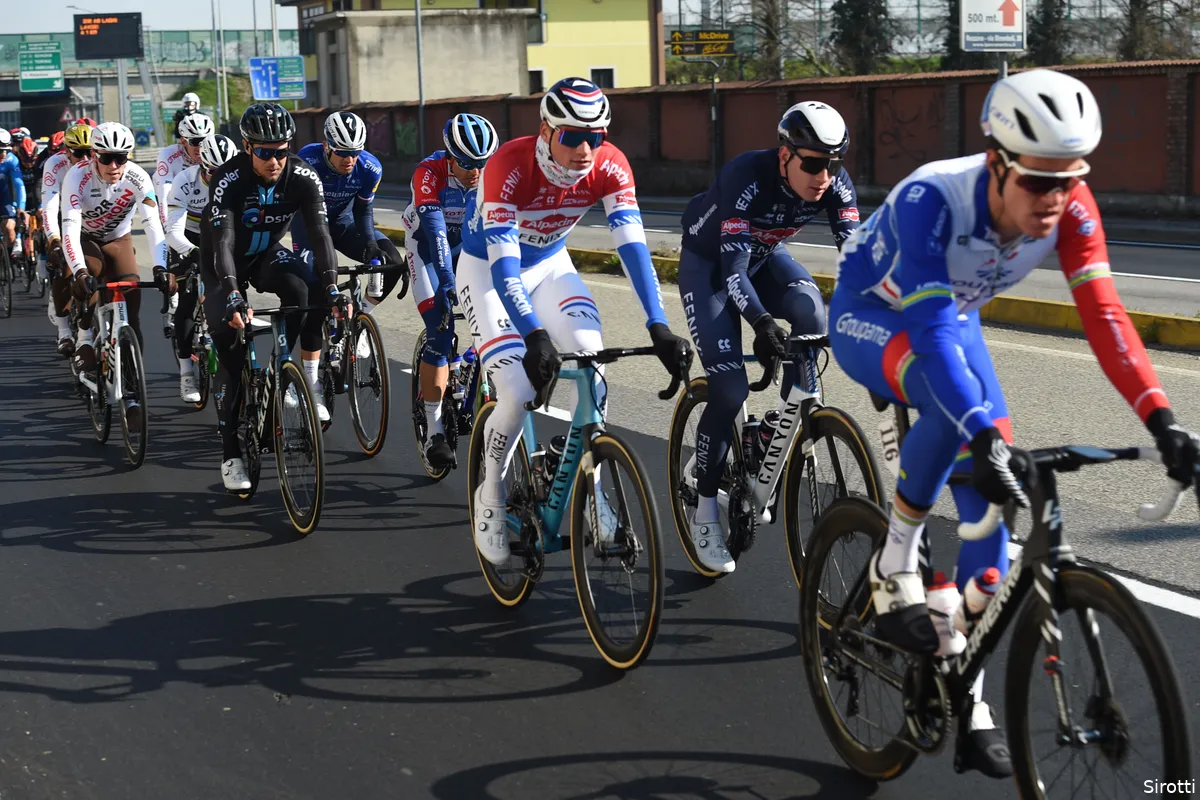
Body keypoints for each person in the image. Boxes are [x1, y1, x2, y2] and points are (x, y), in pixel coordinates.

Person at [830, 68, 1200, 778]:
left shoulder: (1072, 205)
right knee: (955, 407)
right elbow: (932, 333)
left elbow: (1105, 317)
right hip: (875, 317)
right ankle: (893, 560)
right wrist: (983, 431)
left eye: (1069, 181)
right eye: (1038, 182)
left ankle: (960, 689)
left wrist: (1163, 419)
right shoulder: (931, 198)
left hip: (951, 321)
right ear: (997, 163)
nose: (1055, 200)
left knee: (992, 543)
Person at [457, 76, 691, 565]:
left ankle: (597, 495)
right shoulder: (507, 167)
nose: (587, 148)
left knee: (592, 363)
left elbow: (632, 249)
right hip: (487, 273)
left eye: (597, 137)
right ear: (546, 132)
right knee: (519, 391)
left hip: (549, 266)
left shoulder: (610, 166)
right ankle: (491, 493)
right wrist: (534, 334)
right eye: (573, 137)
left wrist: (658, 324)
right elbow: (502, 270)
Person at [676, 101, 860, 573]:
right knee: (731, 389)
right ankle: (704, 509)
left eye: (833, 163)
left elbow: (859, 260)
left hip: (761, 258)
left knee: (812, 314)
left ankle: (774, 431)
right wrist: (761, 323)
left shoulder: (834, 184)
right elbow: (733, 271)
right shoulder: (747, 176)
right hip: (711, 269)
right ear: (785, 155)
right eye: (813, 164)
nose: (824, 176)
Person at [201, 103, 347, 492]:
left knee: (306, 289)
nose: (275, 160)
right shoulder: (228, 179)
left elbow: (320, 235)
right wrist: (233, 296)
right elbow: (225, 243)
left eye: (281, 150)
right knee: (231, 352)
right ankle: (231, 453)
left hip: (265, 254)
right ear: (248, 148)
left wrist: (332, 286)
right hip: (221, 262)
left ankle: (281, 369)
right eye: (265, 152)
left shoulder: (302, 175)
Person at [291, 110, 406, 420]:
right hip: (308, 225)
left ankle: (360, 320)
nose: (349, 160)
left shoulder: (369, 168)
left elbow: (364, 212)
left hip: (344, 224)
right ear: (327, 146)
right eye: (343, 153)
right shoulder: (307, 160)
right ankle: (311, 383)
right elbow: (298, 210)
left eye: (355, 153)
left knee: (392, 262)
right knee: (314, 292)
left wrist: (370, 245)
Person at [403, 112, 498, 468]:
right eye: (466, 163)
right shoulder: (429, 174)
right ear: (448, 156)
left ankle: (473, 369)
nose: (476, 171)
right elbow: (437, 234)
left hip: (470, 252)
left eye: (482, 163)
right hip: (426, 251)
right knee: (441, 332)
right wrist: (447, 281)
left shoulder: (492, 175)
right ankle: (434, 428)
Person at [60, 121, 168, 431]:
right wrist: (79, 270)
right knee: (90, 275)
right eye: (106, 158)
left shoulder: (137, 177)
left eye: (121, 157)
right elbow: (69, 226)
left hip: (119, 239)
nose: (114, 165)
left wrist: (160, 266)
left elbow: (152, 224)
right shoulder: (76, 177)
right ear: (93, 156)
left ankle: (132, 395)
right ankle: (83, 335)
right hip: (86, 238)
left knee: (132, 310)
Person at [165, 133, 238, 403]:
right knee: (186, 301)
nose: (219, 177)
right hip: (188, 239)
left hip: (220, 236)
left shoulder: (238, 182)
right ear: (202, 166)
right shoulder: (185, 181)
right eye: (213, 172)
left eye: (226, 171)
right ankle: (186, 372)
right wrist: (194, 253)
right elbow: (172, 231)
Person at [41, 123, 92, 356]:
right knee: (64, 268)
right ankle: (63, 331)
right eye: (78, 152)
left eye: (89, 151)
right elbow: (49, 207)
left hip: (90, 216)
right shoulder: (55, 164)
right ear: (66, 151)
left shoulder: (98, 163)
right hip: (63, 214)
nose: (84, 157)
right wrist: (54, 240)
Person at [156, 113, 214, 231]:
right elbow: (164, 195)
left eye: (205, 141)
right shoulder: (169, 156)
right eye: (195, 141)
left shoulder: (217, 152)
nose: (201, 147)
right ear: (183, 140)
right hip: (179, 213)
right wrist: (169, 231)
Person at [0, 130, 28, 263]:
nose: (3, 155)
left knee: (10, 228)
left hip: (4, 197)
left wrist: (21, 207)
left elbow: (18, 184)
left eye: (6, 150)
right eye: (0, 151)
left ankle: (5, 262)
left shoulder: (12, 159)